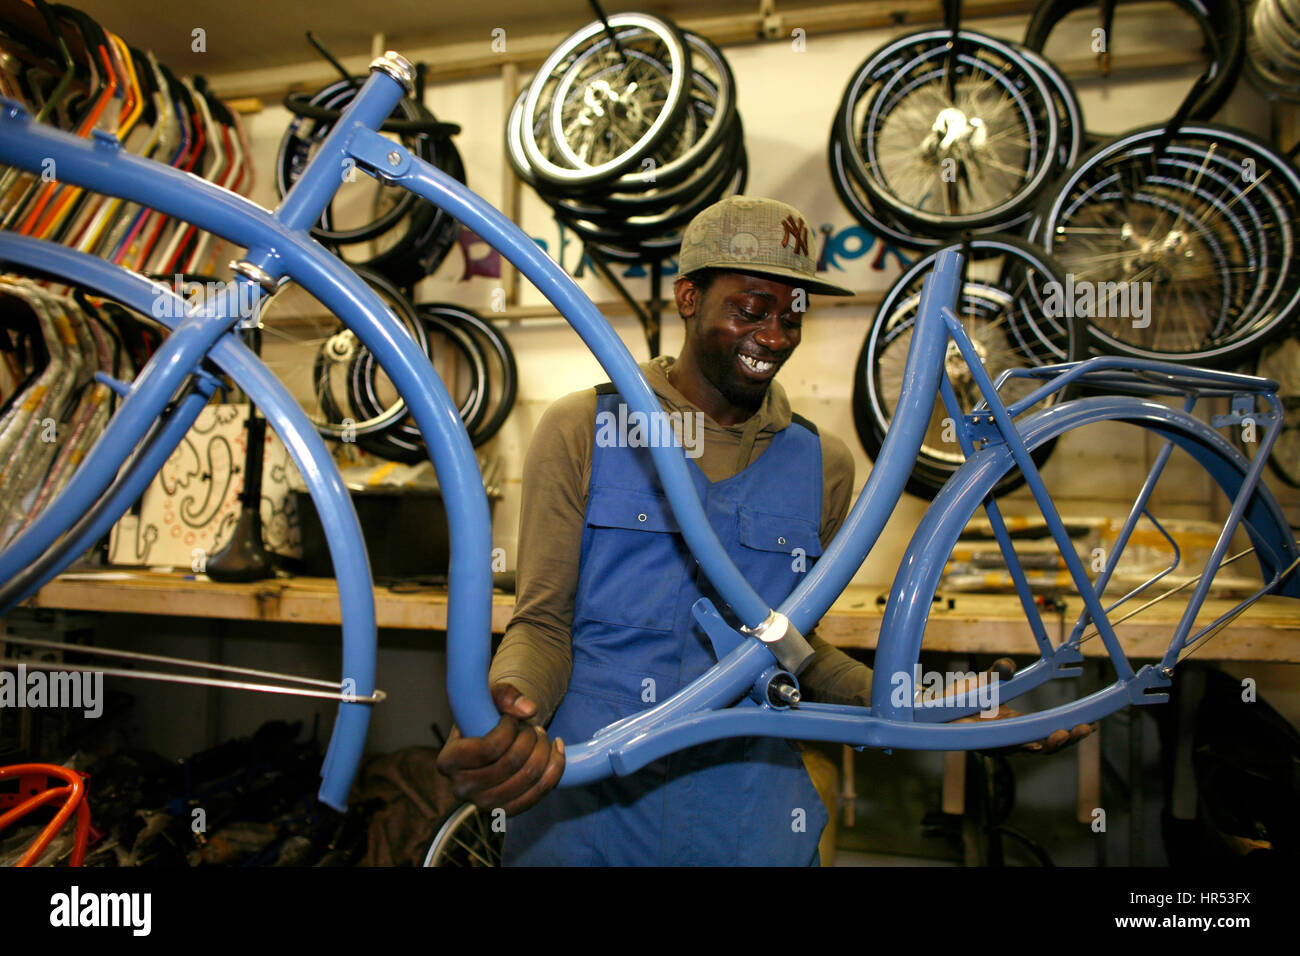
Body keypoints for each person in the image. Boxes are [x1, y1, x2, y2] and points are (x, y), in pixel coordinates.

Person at [436, 196, 1089, 865]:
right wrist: (506, 710)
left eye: (792, 313)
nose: (775, 335)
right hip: (587, 816)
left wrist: (953, 709)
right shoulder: (585, 430)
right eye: (750, 309)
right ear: (689, 297)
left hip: (746, 822)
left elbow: (799, 657)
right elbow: (543, 624)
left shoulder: (822, 466)